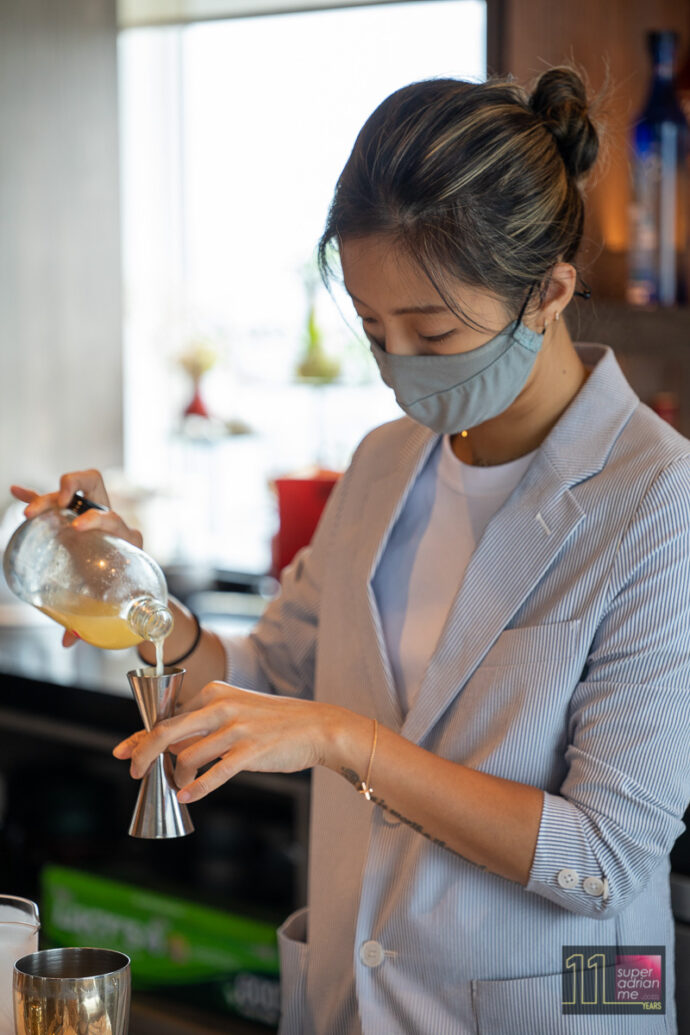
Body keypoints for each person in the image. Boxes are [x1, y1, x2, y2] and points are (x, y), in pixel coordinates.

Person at [13, 68, 690, 1034]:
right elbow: (264, 677)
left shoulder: (658, 499)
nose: (403, 365)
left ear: (549, 291)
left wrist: (348, 739)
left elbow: (604, 859)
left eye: (435, 329)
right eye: (376, 331)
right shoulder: (383, 465)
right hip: (349, 1002)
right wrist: (135, 596)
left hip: (557, 1005)